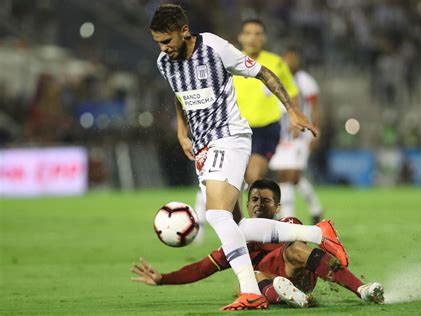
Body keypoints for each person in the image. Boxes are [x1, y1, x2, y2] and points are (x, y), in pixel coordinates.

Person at [148, 4, 347, 311]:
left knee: (216, 215)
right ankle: (318, 233)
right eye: (159, 42)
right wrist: (181, 131)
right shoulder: (165, 62)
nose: (163, 49)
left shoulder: (214, 48)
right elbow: (180, 94)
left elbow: (262, 72)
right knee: (238, 228)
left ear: (184, 31)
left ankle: (251, 291)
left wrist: (293, 110)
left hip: (229, 137)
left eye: (167, 41)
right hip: (203, 146)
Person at [131, 179, 384, 308]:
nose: (258, 205)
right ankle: (286, 296)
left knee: (295, 248)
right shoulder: (238, 236)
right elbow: (201, 268)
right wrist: (163, 278)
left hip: (301, 279)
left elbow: (304, 254)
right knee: (254, 273)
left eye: (266, 201)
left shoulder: (288, 223)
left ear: (278, 207)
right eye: (253, 200)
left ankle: (363, 289)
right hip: (269, 285)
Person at [193, 18, 300, 238]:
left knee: (253, 176)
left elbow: (292, 91)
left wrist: (294, 115)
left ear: (264, 38)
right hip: (232, 131)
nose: (253, 37)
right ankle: (247, 229)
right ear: (241, 37)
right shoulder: (229, 60)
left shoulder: (276, 63)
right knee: (233, 181)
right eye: (248, 33)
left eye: (258, 33)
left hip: (266, 129)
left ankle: (255, 230)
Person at [269, 47, 324, 223]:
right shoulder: (276, 80)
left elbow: (315, 107)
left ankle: (287, 219)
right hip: (281, 134)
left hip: (301, 134)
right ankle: (315, 207)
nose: (289, 62)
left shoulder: (306, 81)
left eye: (293, 58)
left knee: (291, 174)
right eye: (287, 58)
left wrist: (315, 130)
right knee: (287, 177)